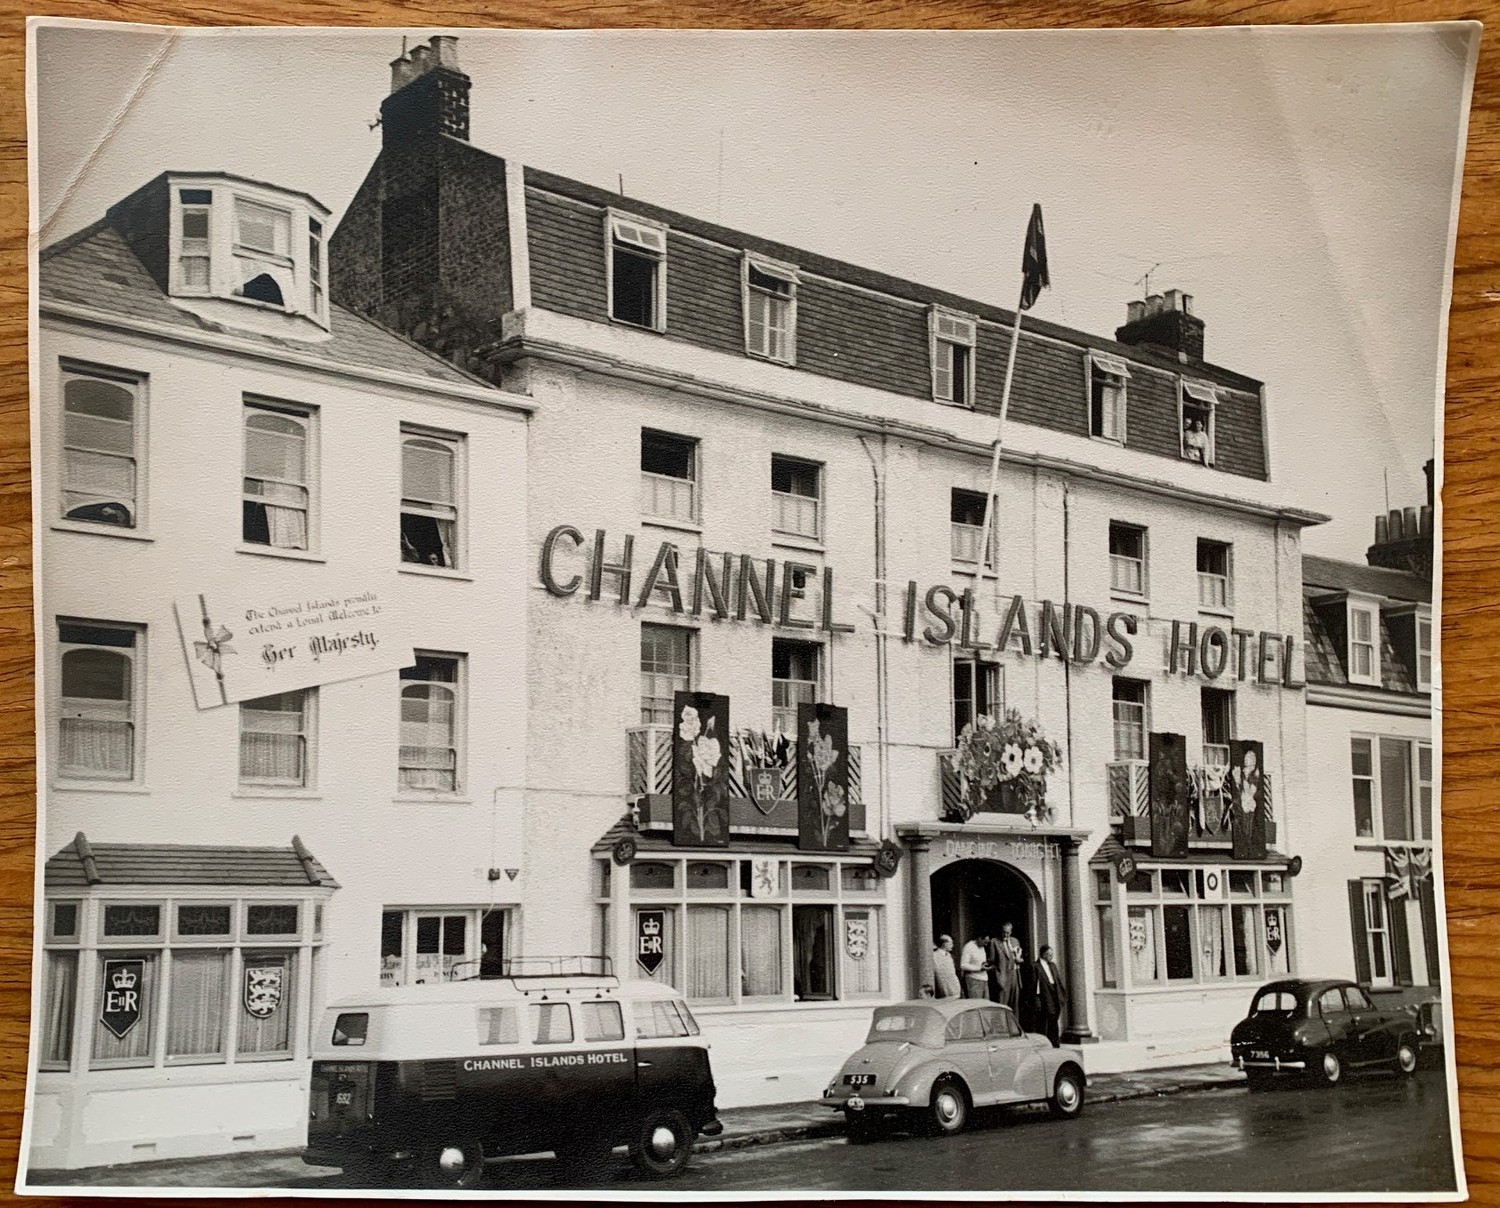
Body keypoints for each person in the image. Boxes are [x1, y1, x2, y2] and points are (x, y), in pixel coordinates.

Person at [1033, 944, 1067, 1047]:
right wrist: (1037, 999)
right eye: (1049, 954)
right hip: (1045, 995)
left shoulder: (1052, 965)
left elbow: (1058, 981)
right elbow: (1035, 985)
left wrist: (1062, 995)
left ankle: (1055, 1043)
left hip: (1055, 994)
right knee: (1045, 1021)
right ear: (1043, 954)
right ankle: (1045, 1043)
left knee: (1054, 1019)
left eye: (1052, 954)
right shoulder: (1036, 966)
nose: (1051, 956)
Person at [993, 922, 1024, 1015]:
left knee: (1015, 1004)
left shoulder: (1015, 941)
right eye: (1003, 932)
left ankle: (1014, 1027)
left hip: (1014, 975)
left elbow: (1020, 958)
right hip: (1002, 977)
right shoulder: (994, 942)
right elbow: (992, 962)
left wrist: (1020, 960)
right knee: (1002, 1005)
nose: (1005, 935)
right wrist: (998, 978)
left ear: (1011, 932)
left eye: (1007, 933)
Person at [931, 935, 961, 999]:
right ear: (945, 944)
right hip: (945, 989)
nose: (952, 945)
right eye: (951, 943)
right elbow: (940, 973)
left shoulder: (949, 955)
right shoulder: (935, 956)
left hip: (954, 987)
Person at [959, 935, 989, 999]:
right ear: (979, 938)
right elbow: (963, 965)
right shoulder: (969, 947)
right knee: (976, 1005)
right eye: (985, 942)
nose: (986, 945)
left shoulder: (981, 947)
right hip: (973, 980)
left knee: (985, 1005)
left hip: (984, 979)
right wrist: (979, 968)